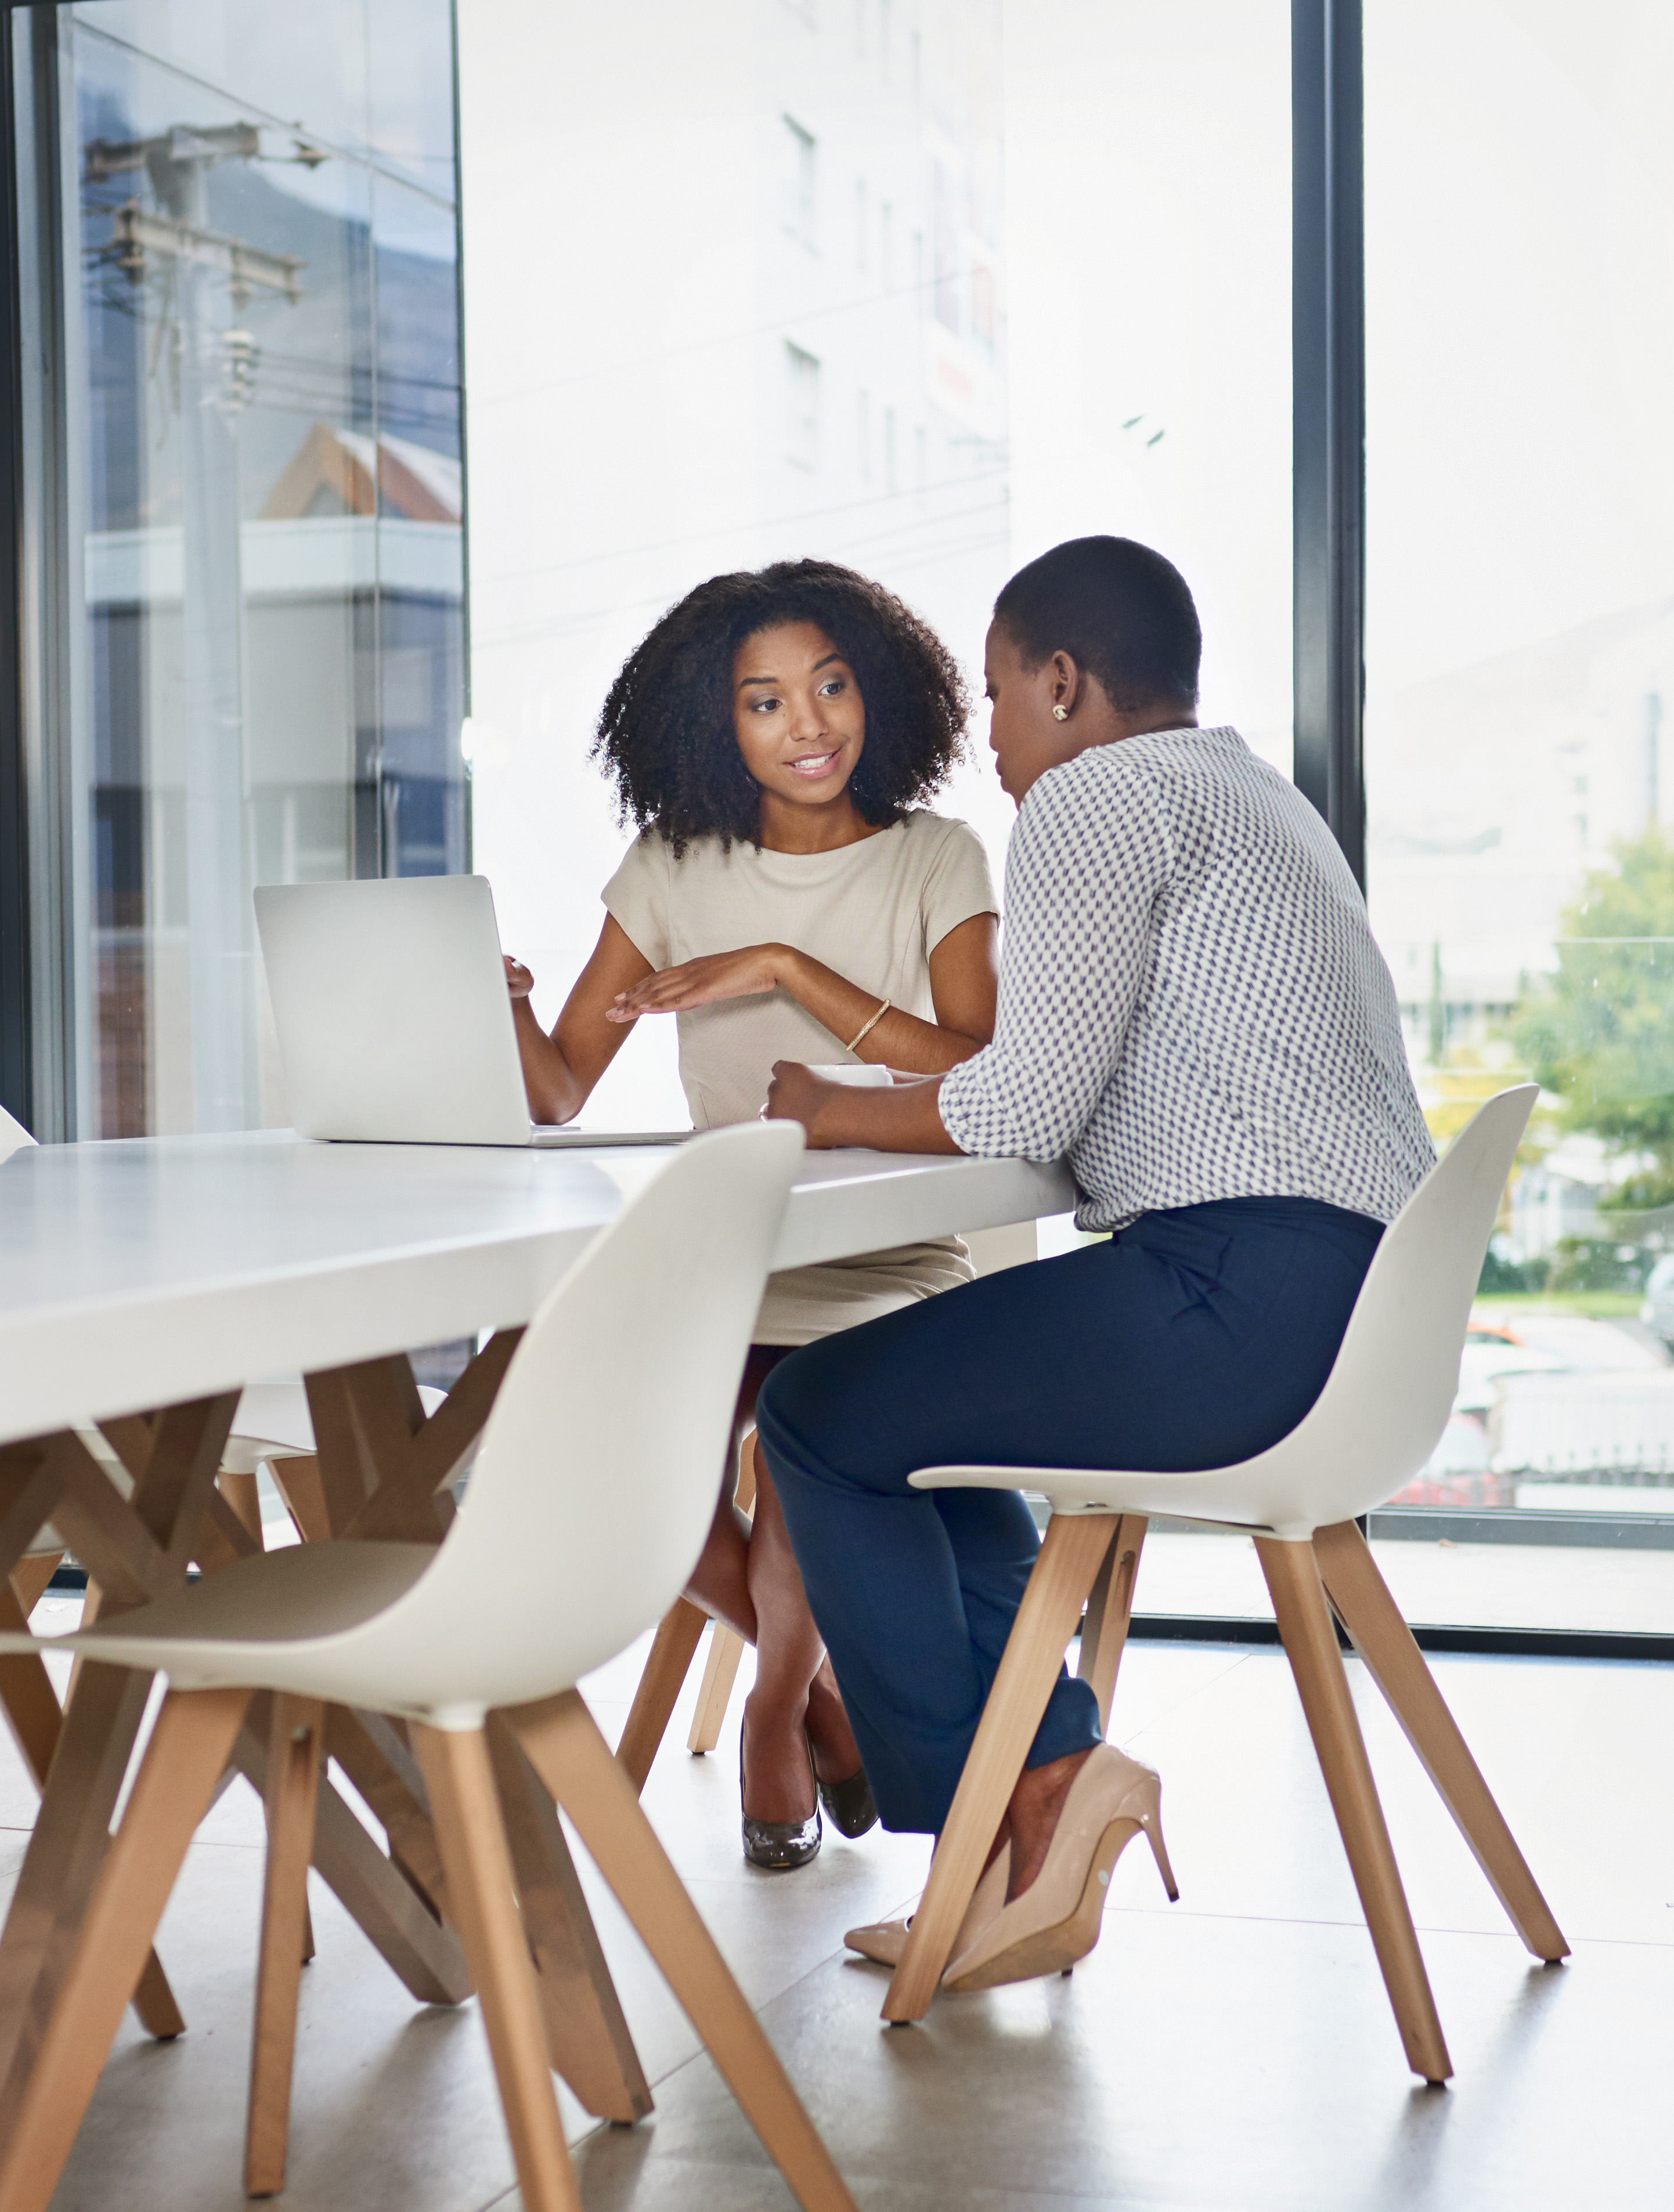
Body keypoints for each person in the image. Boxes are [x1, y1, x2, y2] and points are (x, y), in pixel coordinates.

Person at [754, 534, 1434, 1986]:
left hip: (1239, 1301)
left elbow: (1023, 1104)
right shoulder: (1259, 796)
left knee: (813, 1412)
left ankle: (1026, 1804)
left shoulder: (1093, 799)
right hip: (1350, 1312)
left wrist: (826, 1104)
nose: (990, 739)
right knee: (931, 1427)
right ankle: (1048, 1769)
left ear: (1062, 683)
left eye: (999, 694)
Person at [504, 556, 999, 1869]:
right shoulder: (670, 866)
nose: (810, 723)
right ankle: (825, 1708)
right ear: (709, 724)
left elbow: (985, 1063)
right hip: (723, 1265)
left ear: (881, 691)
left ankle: (776, 1711)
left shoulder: (935, 857)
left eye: (831, 685)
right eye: (766, 699)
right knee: (592, 1453)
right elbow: (558, 1088)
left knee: (796, 1445)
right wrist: (493, 1009)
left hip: (885, 1267)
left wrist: (788, 966)